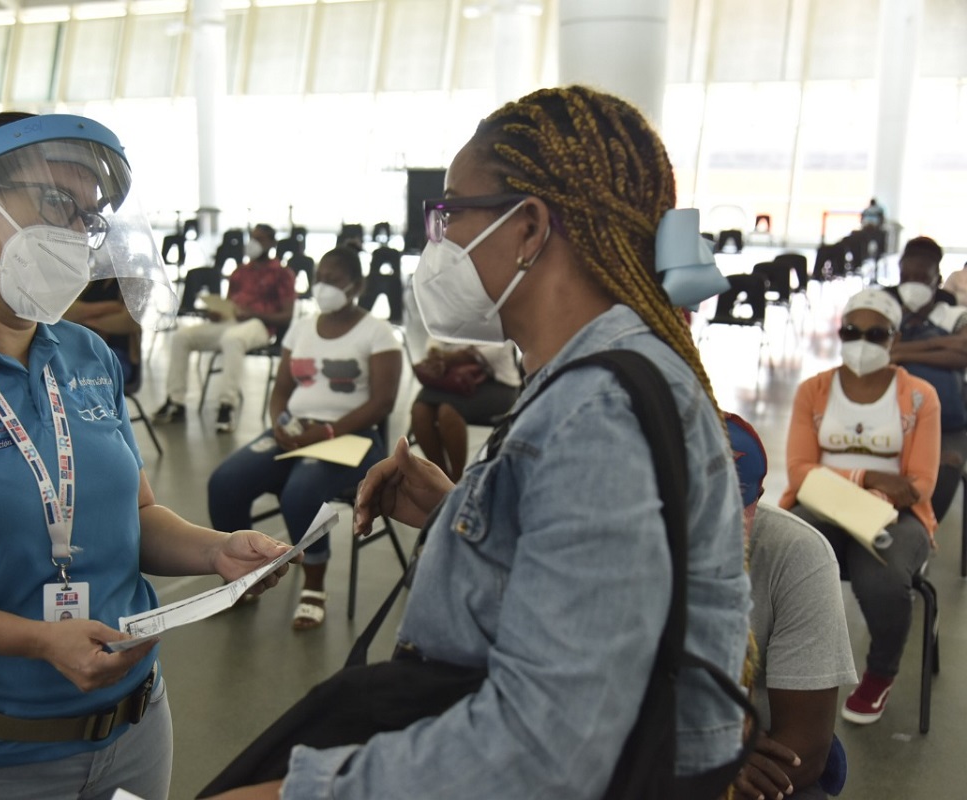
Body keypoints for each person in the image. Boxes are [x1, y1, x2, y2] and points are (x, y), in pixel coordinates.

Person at [208, 85, 751, 799]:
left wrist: (302, 794)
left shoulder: (596, 411)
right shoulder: (589, 376)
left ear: (527, 227)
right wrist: (465, 512)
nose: (437, 241)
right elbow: (596, 587)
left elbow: (546, 749)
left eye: (450, 212)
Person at [0, 111, 295, 800]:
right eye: (58, 205)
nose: (76, 236)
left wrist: (216, 550)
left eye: (89, 219)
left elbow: (136, 513)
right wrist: (35, 640)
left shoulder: (85, 355)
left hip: (134, 728)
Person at [207, 247, 402, 630]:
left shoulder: (378, 332)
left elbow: (383, 402)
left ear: (357, 285)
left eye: (334, 279)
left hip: (351, 437)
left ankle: (313, 585)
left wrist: (327, 431)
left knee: (301, 491)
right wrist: (279, 420)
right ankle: (242, 577)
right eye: (319, 278)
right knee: (225, 482)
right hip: (296, 432)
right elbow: (280, 388)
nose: (323, 286)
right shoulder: (301, 327)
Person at [780, 287, 940, 726]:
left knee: (883, 580)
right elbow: (798, 471)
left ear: (894, 336)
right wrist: (866, 478)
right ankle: (779, 661)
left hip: (896, 514)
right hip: (821, 506)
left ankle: (880, 672)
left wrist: (874, 497)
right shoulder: (814, 390)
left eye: (875, 333)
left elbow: (920, 485)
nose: (862, 341)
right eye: (852, 330)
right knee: (782, 557)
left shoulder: (921, 396)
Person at [724, 414, 857, 800]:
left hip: (758, 760)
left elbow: (807, 749)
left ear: (757, 500)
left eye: (734, 510)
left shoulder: (796, 554)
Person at [156, 223, 296, 432]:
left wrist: (253, 314)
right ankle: (176, 401)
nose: (254, 243)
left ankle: (226, 405)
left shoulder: (282, 274)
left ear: (272, 243)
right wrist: (218, 312)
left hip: (260, 326)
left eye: (260, 239)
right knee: (182, 337)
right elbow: (231, 303)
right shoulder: (240, 272)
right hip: (230, 322)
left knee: (233, 339)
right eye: (252, 238)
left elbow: (287, 315)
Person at [885, 236, 967, 458]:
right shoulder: (886, 315)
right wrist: (941, 347)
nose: (912, 284)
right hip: (889, 417)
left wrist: (902, 352)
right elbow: (879, 354)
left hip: (946, 419)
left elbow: (963, 351)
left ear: (937, 280)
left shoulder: (954, 315)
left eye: (921, 278)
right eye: (906, 278)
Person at [410, 340, 520, 481]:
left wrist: (453, 357)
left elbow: (501, 347)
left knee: (447, 412)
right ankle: (440, 477)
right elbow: (434, 335)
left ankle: (458, 480)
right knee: (420, 411)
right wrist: (435, 351)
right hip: (451, 376)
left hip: (497, 382)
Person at [64, 278, 142, 385]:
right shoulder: (91, 280)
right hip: (82, 350)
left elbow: (128, 321)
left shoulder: (132, 284)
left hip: (115, 354)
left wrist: (83, 317)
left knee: (83, 376)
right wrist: (111, 307)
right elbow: (67, 311)